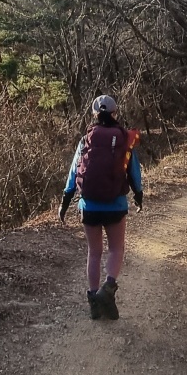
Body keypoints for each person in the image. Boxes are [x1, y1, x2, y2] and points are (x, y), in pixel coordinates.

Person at [58, 94, 143, 320]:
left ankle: (94, 301)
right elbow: (133, 172)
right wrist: (139, 195)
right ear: (115, 113)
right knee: (116, 249)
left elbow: (73, 173)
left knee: (94, 253)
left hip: (89, 206)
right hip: (116, 205)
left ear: (93, 115)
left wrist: (65, 201)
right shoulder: (124, 138)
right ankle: (108, 289)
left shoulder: (85, 140)